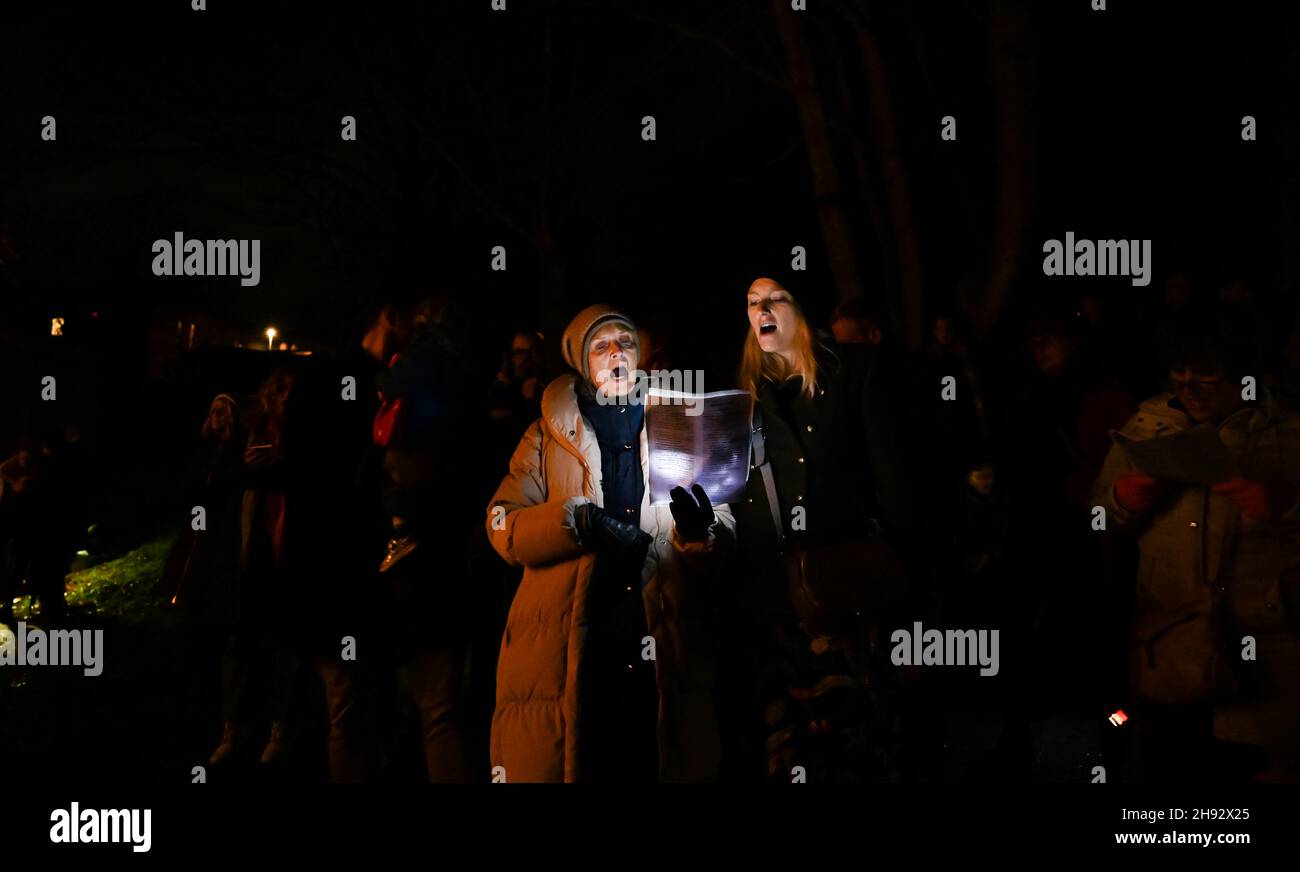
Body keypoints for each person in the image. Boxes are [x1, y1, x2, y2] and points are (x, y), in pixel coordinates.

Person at [485, 303, 735, 782]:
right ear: (581, 362)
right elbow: (503, 525)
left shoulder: (677, 423)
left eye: (625, 342)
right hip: (575, 638)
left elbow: (721, 539)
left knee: (654, 755)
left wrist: (697, 532)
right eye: (601, 345)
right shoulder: (546, 436)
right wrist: (576, 521)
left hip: (659, 633)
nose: (616, 353)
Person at [1093, 303, 1300, 781]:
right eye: (1178, 370)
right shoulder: (1148, 425)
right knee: (1175, 772)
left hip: (1263, 650)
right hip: (1169, 649)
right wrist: (1123, 498)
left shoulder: (1285, 429)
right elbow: (1098, 519)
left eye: (1206, 372)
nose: (1188, 384)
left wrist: (1286, 504)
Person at [731, 277, 923, 782]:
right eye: (753, 303)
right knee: (800, 752)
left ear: (802, 309)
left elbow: (898, 487)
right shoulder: (746, 398)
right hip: (783, 608)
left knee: (871, 745)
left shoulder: (855, 372)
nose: (762, 309)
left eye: (775, 298)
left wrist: (914, 595)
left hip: (856, 595)